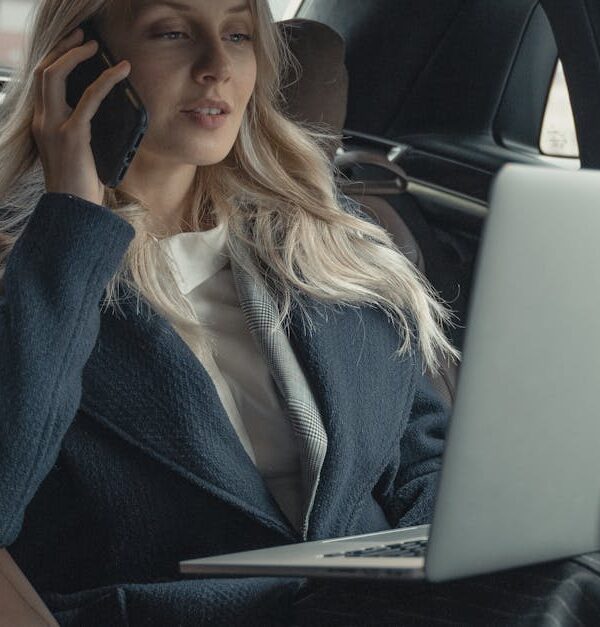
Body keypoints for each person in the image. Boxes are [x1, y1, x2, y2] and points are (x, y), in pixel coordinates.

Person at [0, 0, 459, 624]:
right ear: (79, 61)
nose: (217, 65)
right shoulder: (37, 267)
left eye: (238, 35)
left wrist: (449, 568)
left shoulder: (329, 243)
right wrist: (72, 223)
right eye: (172, 32)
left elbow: (425, 455)